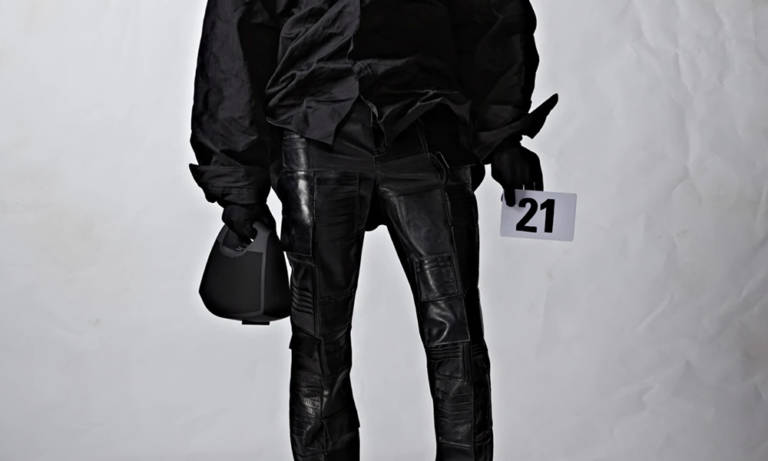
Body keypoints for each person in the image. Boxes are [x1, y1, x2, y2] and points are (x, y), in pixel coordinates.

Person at [187, 0, 558, 459]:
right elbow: (235, 35)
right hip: (318, 131)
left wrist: (503, 134)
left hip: (425, 124)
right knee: (321, 341)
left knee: (456, 336)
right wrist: (237, 182)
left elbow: (494, 15)